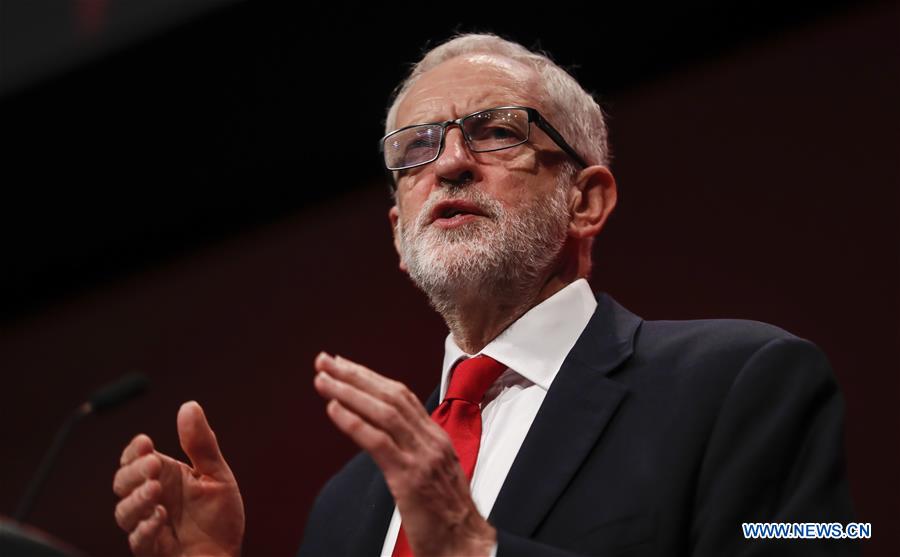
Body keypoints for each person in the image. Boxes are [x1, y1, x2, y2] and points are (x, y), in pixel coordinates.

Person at [112, 33, 857, 557]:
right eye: (417, 148)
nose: (450, 164)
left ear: (586, 201)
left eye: (496, 131)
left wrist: (476, 549)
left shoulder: (745, 380)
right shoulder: (348, 505)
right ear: (398, 232)